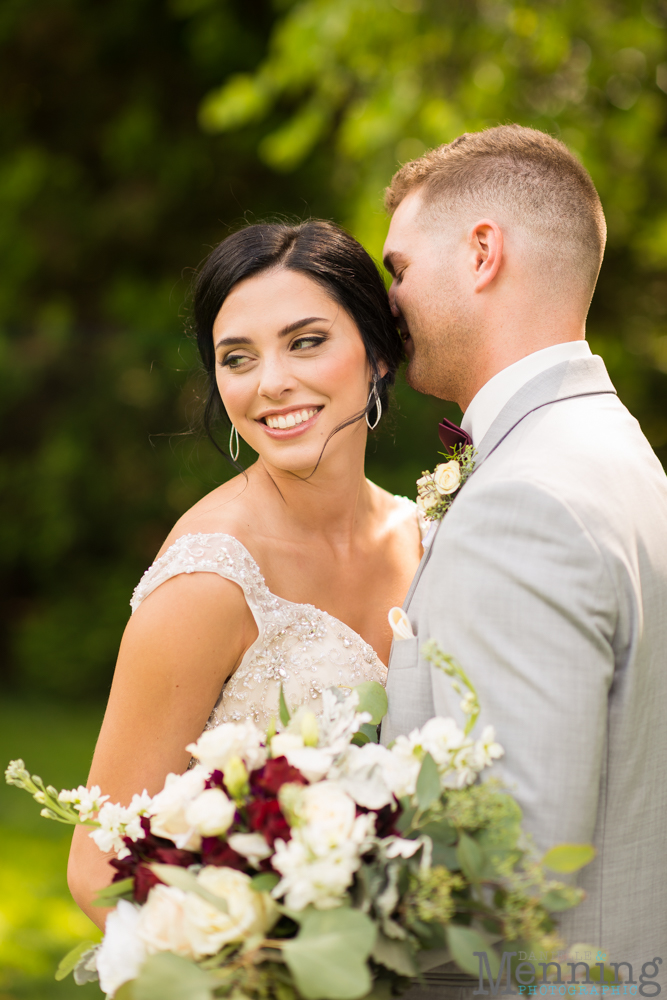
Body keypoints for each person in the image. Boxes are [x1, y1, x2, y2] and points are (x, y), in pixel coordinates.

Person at [67, 219, 425, 926]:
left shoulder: (428, 538)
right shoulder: (210, 579)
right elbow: (99, 866)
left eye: (307, 342)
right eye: (237, 358)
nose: (272, 383)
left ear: (377, 355)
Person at [381, 123, 667, 990]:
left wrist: (285, 921)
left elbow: (520, 855)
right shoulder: (619, 453)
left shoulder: (524, 498)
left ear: (480, 253)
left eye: (397, 269)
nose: (385, 300)